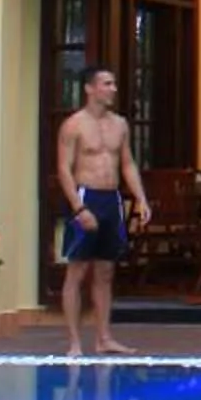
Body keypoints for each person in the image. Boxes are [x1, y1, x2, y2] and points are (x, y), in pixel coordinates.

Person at [52, 66, 151, 359]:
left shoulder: (120, 124)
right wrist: (78, 207)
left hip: (112, 199)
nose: (113, 89)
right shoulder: (73, 125)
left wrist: (141, 198)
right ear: (90, 88)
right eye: (107, 84)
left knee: (106, 272)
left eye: (114, 83)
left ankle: (104, 338)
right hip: (86, 196)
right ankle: (74, 342)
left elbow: (127, 164)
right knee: (77, 270)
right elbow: (63, 169)